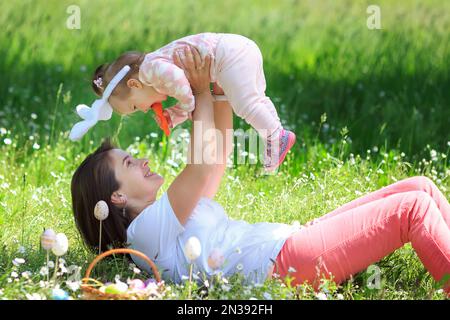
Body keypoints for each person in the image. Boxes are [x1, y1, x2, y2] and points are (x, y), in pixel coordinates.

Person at [71, 47, 450, 296]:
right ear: (116, 197)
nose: (142, 160)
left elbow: (215, 160)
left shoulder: (170, 219)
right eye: (128, 164)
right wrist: (199, 91)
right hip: (288, 263)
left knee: (420, 187)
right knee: (411, 210)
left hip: (294, 244)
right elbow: (201, 165)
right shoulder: (144, 233)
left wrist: (217, 89)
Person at [69, 33, 296, 171]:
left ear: (134, 85)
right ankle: (276, 136)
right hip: (239, 49)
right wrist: (177, 114)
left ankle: (276, 136)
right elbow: (182, 87)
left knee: (246, 105)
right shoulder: (153, 72)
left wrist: (189, 106)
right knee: (257, 99)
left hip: (227, 56)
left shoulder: (149, 70)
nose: (144, 110)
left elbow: (179, 81)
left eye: (136, 107)